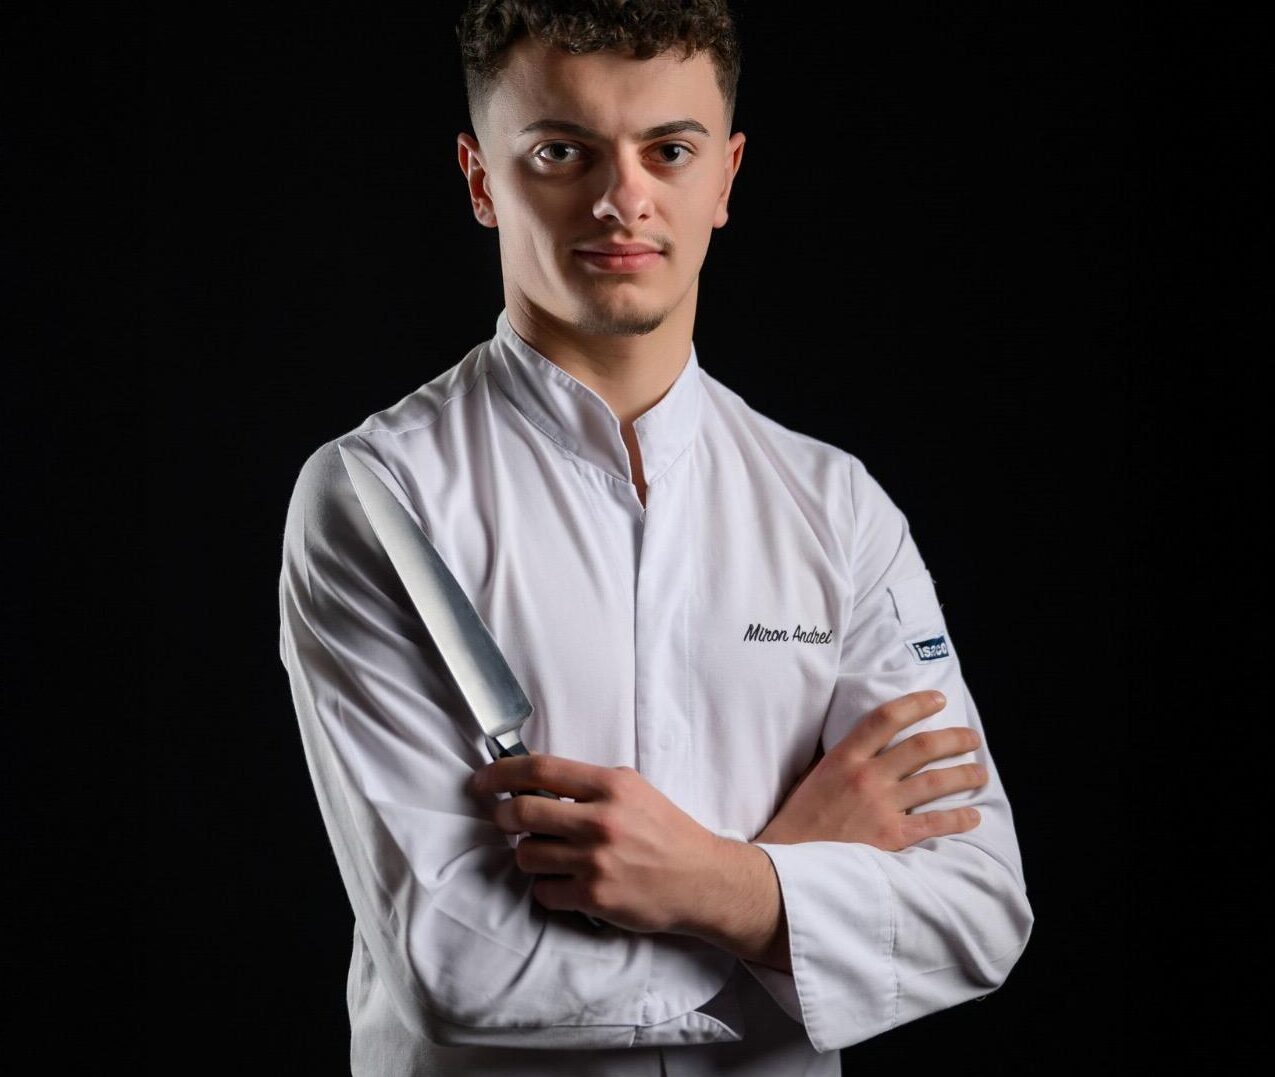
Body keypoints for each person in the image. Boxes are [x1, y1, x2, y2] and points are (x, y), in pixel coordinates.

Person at [277, 2, 1034, 1074]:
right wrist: (768, 895)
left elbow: (978, 909)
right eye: (562, 152)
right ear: (482, 181)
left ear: (724, 177)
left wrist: (712, 883)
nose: (621, 198)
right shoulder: (377, 497)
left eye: (668, 151)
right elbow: (458, 965)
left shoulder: (837, 505)